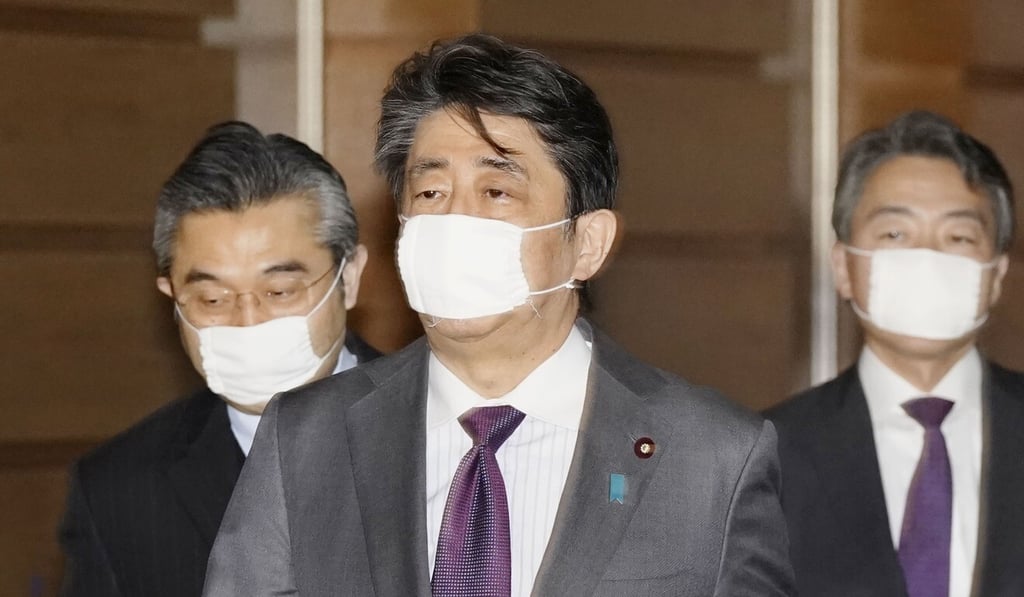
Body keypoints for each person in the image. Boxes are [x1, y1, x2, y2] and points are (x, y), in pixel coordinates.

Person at [203, 34, 794, 597]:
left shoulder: (712, 457)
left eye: (496, 193)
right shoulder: (306, 439)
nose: (455, 222)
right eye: (430, 194)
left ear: (586, 243)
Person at [58, 121, 379, 597]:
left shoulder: (453, 431)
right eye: (211, 299)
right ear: (172, 297)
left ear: (348, 278)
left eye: (279, 291)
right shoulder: (117, 491)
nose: (247, 321)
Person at [766, 110, 1024, 596]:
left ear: (996, 275)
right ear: (843, 266)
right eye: (895, 234)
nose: (928, 258)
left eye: (959, 237)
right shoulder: (766, 456)